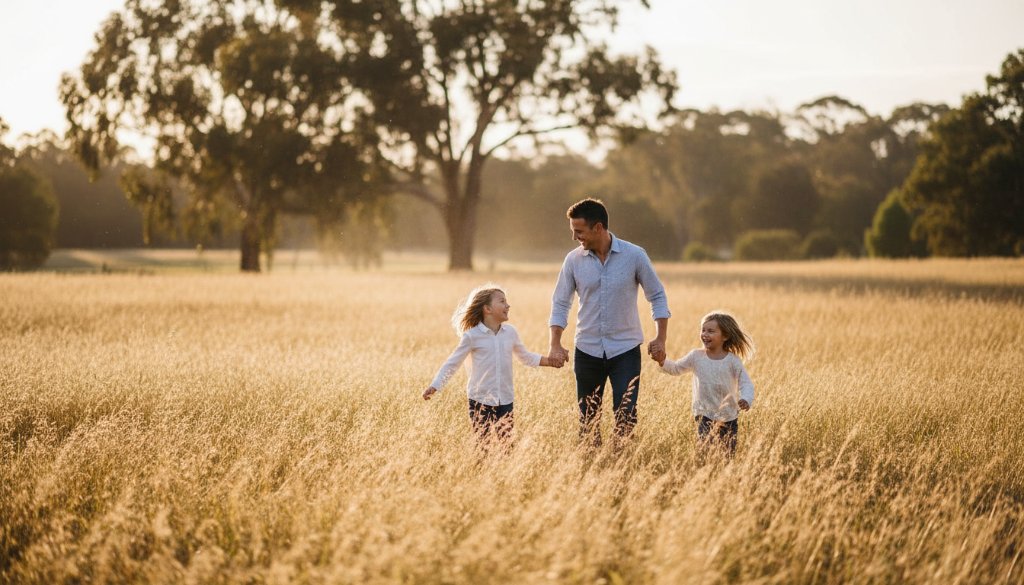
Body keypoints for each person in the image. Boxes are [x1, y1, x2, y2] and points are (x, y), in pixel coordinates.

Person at [548, 198, 671, 446]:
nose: (575, 238)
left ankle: (620, 464)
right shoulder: (573, 260)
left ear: (599, 227)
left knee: (626, 415)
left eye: (579, 231)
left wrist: (660, 338)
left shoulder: (634, 255)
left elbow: (656, 296)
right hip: (587, 350)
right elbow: (561, 303)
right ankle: (592, 467)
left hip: (625, 350)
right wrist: (555, 343)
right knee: (588, 418)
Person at [424, 285, 562, 443]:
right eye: (502, 301)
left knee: (507, 445)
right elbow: (452, 363)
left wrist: (550, 361)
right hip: (480, 400)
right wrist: (435, 385)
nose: (508, 305)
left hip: (505, 399)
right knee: (483, 445)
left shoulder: (510, 333)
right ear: (487, 309)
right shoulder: (472, 336)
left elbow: (526, 357)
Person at [657, 311, 755, 457]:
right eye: (703, 330)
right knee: (705, 450)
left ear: (725, 336)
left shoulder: (732, 361)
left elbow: (746, 383)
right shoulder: (696, 356)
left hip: (729, 417)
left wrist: (746, 399)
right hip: (704, 414)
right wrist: (662, 360)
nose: (705, 334)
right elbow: (676, 368)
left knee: (727, 455)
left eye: (711, 331)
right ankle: (704, 472)